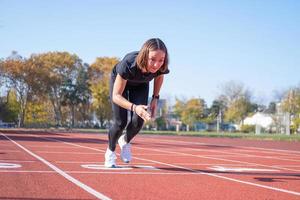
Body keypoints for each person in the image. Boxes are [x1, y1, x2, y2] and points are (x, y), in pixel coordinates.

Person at [104, 38, 170, 168]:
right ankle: (110, 152)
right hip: (122, 84)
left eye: (161, 60)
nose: (156, 65)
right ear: (145, 55)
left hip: (140, 84)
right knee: (120, 122)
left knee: (140, 119)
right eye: (152, 59)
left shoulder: (160, 67)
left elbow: (160, 76)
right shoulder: (128, 63)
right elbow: (116, 96)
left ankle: (125, 140)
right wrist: (134, 107)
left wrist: (155, 98)